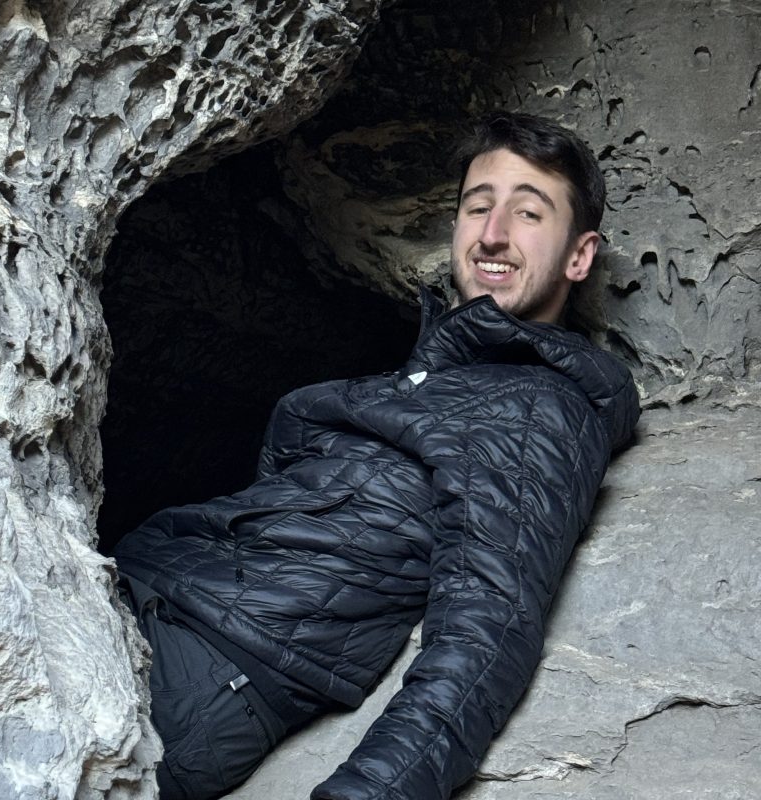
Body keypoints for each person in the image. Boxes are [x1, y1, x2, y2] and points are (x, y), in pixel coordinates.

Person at [114, 111, 640, 800]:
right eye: (477, 207)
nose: (492, 234)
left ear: (579, 255)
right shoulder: (417, 377)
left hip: (211, 661)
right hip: (150, 596)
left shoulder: (537, 406)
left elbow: (486, 629)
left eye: (528, 213)